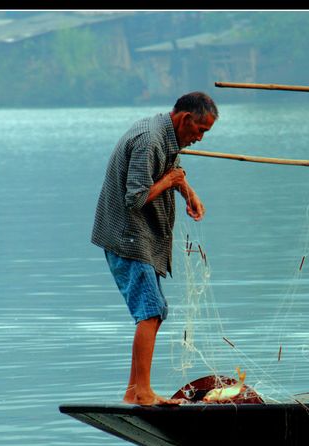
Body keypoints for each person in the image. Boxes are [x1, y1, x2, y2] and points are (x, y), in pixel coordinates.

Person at [91, 92, 218, 405]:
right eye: (200, 130)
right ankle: (143, 392)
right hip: (128, 237)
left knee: (154, 311)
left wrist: (188, 193)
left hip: (141, 239)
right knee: (150, 311)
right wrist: (172, 180)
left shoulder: (167, 137)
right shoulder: (150, 139)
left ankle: (134, 390)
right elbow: (135, 199)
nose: (200, 138)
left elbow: (171, 172)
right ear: (185, 119)